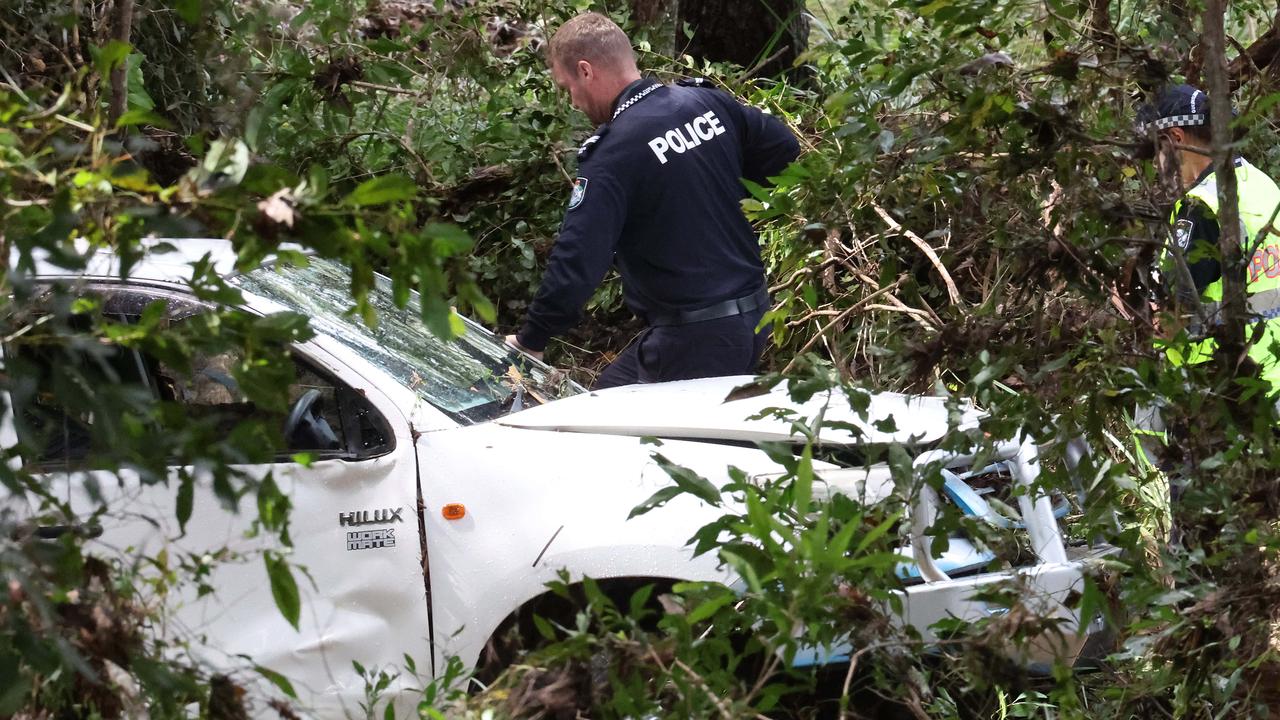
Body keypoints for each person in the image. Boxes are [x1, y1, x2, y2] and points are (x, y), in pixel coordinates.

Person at [504, 12, 800, 389]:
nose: (574, 101)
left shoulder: (613, 155)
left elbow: (579, 257)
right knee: (609, 399)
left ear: (586, 71)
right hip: (752, 316)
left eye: (568, 88)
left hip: (694, 338)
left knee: (614, 438)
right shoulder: (705, 102)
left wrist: (533, 338)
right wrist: (721, 197)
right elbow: (784, 148)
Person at [1136, 84, 1280, 393]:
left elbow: (1172, 324)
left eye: (1155, 152)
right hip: (1269, 381)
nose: (1155, 167)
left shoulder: (1201, 208)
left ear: (1176, 139)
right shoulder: (1261, 185)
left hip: (1217, 389)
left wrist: (1128, 301)